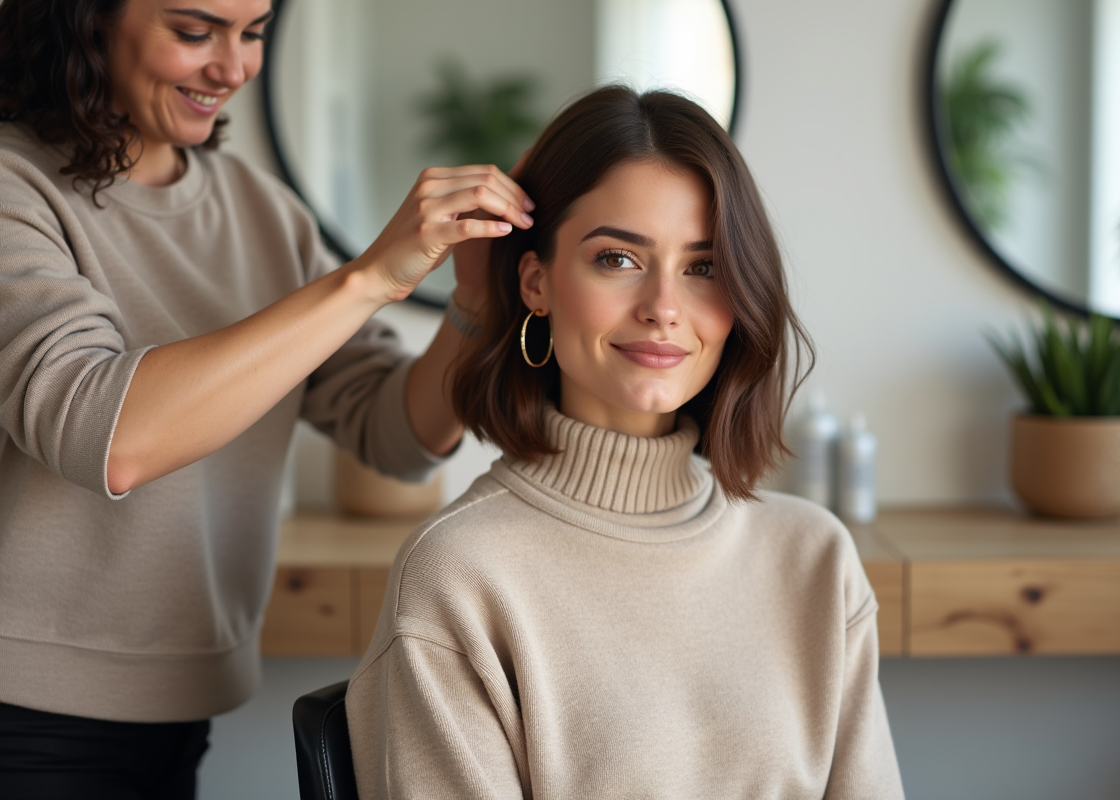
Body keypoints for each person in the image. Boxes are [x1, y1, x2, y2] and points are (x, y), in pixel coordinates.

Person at [0, 0, 532, 795]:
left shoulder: (264, 212)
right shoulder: (14, 186)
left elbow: (394, 432)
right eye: (195, 31)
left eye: (253, 33)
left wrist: (475, 308)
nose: (234, 67)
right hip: (23, 710)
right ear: (87, 19)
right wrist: (367, 279)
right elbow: (104, 436)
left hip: (180, 706)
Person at [346, 86, 905, 799]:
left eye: (703, 267)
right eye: (617, 259)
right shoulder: (458, 574)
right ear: (536, 282)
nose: (663, 308)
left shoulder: (815, 557)